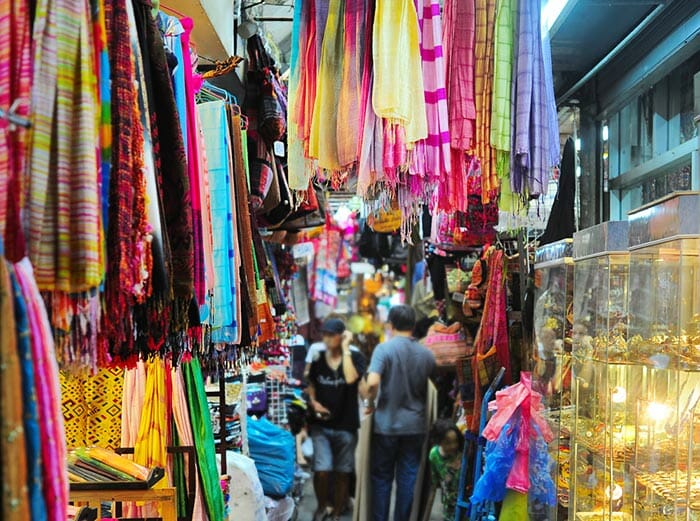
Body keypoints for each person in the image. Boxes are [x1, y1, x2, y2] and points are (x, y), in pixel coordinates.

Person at [364, 305, 436, 521]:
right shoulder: (426, 354)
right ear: (413, 326)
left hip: (386, 424)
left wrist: (369, 401)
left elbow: (373, 382)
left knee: (382, 478)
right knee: (407, 478)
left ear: (391, 325)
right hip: (415, 426)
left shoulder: (384, 350)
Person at [307, 318, 367, 521]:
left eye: (331, 335)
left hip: (346, 424)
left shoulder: (356, 358)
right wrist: (314, 404)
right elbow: (311, 385)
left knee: (343, 471)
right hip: (321, 425)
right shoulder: (318, 358)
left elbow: (351, 379)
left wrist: (346, 348)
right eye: (324, 334)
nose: (326, 339)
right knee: (322, 469)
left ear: (341, 336)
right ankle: (322, 506)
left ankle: (338, 511)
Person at [427, 420, 463, 521]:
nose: (453, 446)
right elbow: (434, 483)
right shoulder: (434, 455)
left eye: (455, 441)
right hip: (448, 505)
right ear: (439, 441)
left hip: (463, 503)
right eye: (447, 442)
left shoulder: (461, 454)